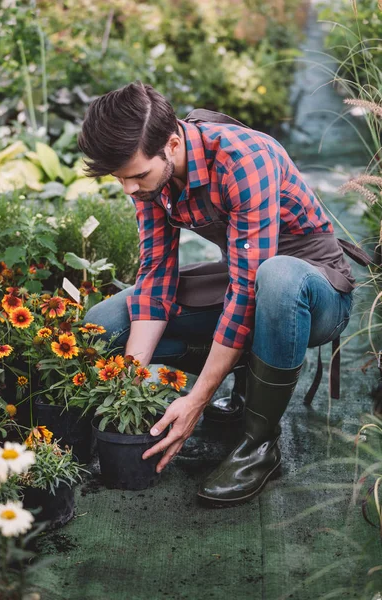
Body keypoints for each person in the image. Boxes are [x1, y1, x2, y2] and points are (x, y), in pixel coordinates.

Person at [78, 80, 357, 507]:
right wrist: (127, 384)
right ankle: (246, 377)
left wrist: (195, 400)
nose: (130, 190)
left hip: (314, 287)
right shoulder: (151, 178)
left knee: (276, 278)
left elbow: (249, 291)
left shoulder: (244, 159)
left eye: (136, 176)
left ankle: (259, 446)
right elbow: (156, 277)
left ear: (172, 144)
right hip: (245, 274)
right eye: (120, 178)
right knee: (107, 322)